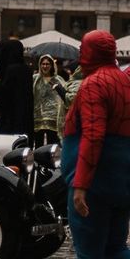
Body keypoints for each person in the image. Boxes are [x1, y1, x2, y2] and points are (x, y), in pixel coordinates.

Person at [62, 30, 130, 259]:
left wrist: (81, 185)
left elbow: (93, 135)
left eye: (83, 51)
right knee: (116, 248)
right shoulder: (124, 80)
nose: (81, 56)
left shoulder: (94, 84)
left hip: (94, 183)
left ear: (92, 53)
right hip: (121, 182)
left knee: (89, 251)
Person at [0, 39, 34, 140]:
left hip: (9, 123)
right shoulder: (26, 70)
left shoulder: (11, 71)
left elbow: (1, 96)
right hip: (25, 121)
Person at [32, 54, 66, 147]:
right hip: (38, 116)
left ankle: (50, 161)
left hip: (53, 117)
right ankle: (38, 161)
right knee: (38, 144)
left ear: (52, 66)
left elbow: (65, 95)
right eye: (43, 64)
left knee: (52, 144)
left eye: (47, 64)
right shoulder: (35, 79)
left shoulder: (58, 80)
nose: (45, 66)